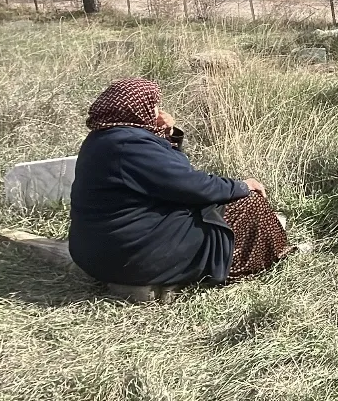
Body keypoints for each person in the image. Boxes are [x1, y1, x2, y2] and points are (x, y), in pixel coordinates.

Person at [69, 78, 293, 290]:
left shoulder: (104, 139)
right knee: (247, 204)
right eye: (153, 106)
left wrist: (166, 134)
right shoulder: (130, 144)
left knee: (216, 210)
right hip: (131, 257)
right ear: (138, 110)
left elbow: (169, 175)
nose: (158, 111)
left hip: (99, 251)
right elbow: (189, 186)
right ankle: (255, 259)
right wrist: (242, 186)